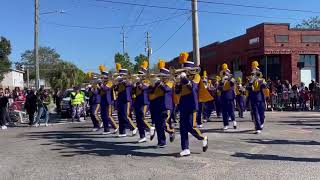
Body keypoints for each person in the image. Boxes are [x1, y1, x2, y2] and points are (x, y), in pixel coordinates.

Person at [175, 52, 208, 157]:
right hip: (183, 102)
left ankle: (203, 138)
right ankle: (185, 148)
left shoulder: (196, 76)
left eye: (184, 70)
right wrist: (177, 83)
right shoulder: (182, 79)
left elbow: (192, 88)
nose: (183, 71)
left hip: (192, 102)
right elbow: (177, 92)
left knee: (190, 126)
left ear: (189, 69)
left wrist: (184, 79)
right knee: (182, 127)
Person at [150, 60, 175, 147]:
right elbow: (151, 92)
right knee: (158, 125)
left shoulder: (170, 82)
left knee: (164, 123)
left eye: (162, 76)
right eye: (160, 76)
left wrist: (159, 83)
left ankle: (171, 131)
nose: (161, 78)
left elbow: (166, 89)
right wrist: (152, 84)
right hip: (158, 106)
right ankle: (161, 141)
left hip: (167, 106)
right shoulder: (159, 84)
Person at [133, 61, 155, 143]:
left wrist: (139, 83)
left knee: (142, 117)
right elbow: (134, 90)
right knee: (138, 119)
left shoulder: (147, 81)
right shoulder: (138, 82)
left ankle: (150, 128)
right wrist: (134, 84)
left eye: (141, 74)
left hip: (144, 101)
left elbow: (143, 88)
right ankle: (142, 136)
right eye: (139, 74)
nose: (139, 75)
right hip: (138, 100)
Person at [114, 63, 137, 137]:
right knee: (120, 116)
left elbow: (128, 84)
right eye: (120, 75)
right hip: (120, 100)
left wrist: (121, 80)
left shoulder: (128, 81)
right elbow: (115, 89)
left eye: (121, 75)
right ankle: (122, 132)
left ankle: (134, 127)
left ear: (125, 75)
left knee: (125, 116)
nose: (120, 76)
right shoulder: (120, 82)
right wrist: (115, 83)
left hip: (126, 100)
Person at [247, 61, 267, 134]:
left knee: (261, 113)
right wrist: (252, 80)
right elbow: (247, 88)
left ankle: (261, 123)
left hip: (260, 98)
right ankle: (258, 127)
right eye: (254, 72)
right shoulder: (250, 79)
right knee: (255, 113)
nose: (255, 73)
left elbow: (265, 86)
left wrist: (261, 81)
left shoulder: (261, 80)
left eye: (257, 71)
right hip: (253, 98)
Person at [99, 68, 119, 135]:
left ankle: (115, 126)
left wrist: (101, 84)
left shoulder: (110, 83)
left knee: (108, 115)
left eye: (103, 77)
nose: (102, 78)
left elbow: (105, 88)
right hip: (102, 101)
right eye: (102, 77)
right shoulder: (102, 83)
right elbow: (100, 92)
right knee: (103, 116)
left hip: (108, 101)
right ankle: (106, 130)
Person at [219, 63, 237, 130]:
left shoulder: (231, 78)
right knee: (224, 112)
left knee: (231, 110)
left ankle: (234, 121)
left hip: (230, 97)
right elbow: (219, 88)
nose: (225, 74)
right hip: (223, 97)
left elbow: (233, 83)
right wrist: (222, 80)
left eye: (226, 72)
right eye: (224, 72)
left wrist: (228, 78)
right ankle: (226, 124)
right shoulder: (221, 80)